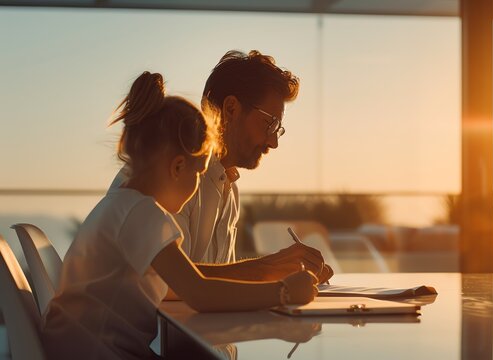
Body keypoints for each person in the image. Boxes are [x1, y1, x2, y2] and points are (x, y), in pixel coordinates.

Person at [42, 72, 318, 360]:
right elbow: (198, 290)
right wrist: (283, 292)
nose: (201, 182)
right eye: (199, 173)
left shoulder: (121, 205)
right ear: (177, 168)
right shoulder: (143, 215)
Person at [110, 50, 333, 284]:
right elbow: (170, 283)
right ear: (231, 109)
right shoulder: (167, 175)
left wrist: (280, 274)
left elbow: (216, 289)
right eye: (270, 123)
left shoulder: (229, 189)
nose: (273, 142)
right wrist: (268, 270)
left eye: (278, 129)